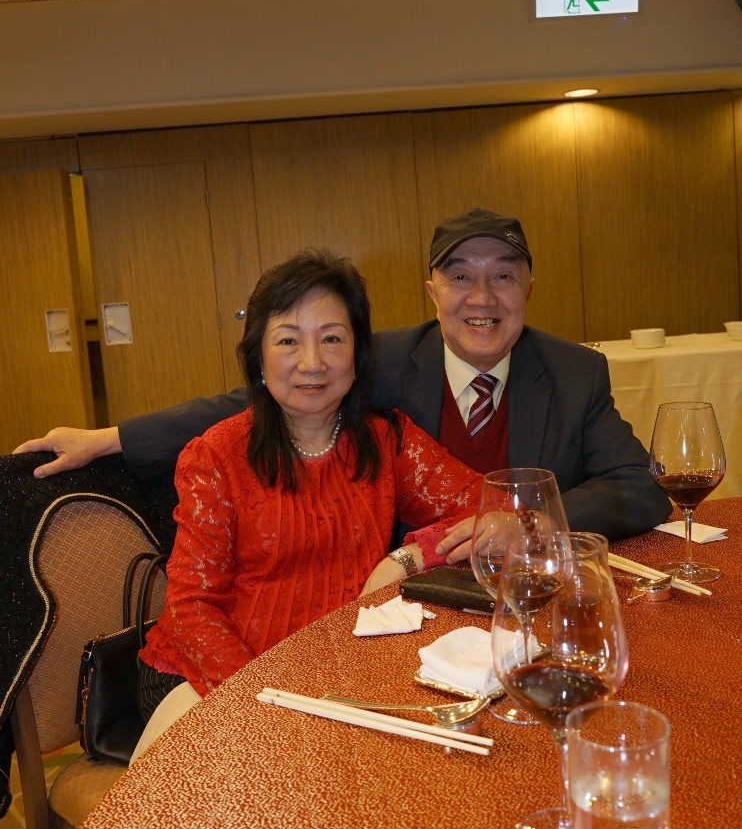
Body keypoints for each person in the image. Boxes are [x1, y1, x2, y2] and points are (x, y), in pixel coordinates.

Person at [16, 209, 670, 544]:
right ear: (432, 291)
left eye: (503, 275)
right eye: (460, 277)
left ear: (528, 286)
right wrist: (111, 438)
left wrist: (530, 521)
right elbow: (256, 402)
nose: (482, 297)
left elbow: (640, 486)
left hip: (532, 592)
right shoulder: (380, 361)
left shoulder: (575, 372)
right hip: (406, 601)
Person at [132, 248, 490, 748]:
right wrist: (265, 696)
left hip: (335, 672)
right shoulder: (217, 456)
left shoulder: (386, 440)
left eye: (332, 339)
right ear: (258, 358)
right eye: (287, 341)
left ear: (357, 355)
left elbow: (493, 507)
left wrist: (408, 557)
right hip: (214, 673)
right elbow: (193, 608)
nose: (312, 362)